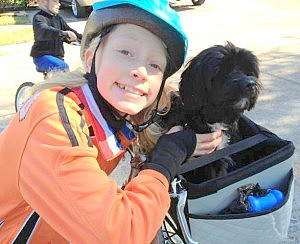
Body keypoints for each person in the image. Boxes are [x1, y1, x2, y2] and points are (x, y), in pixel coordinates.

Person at [0, 0, 222, 242]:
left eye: (155, 64)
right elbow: (122, 234)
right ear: (90, 58)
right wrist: (169, 155)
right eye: (126, 52)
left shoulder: (115, 114)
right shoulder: (52, 118)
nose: (141, 71)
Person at [30, 0, 82, 72]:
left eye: (59, 2)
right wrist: (63, 33)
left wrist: (87, 38)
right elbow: (44, 30)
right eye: (55, 1)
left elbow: (70, 31)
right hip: (42, 56)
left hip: (57, 57)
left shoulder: (57, 18)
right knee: (63, 67)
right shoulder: (39, 18)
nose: (59, 4)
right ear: (43, 1)